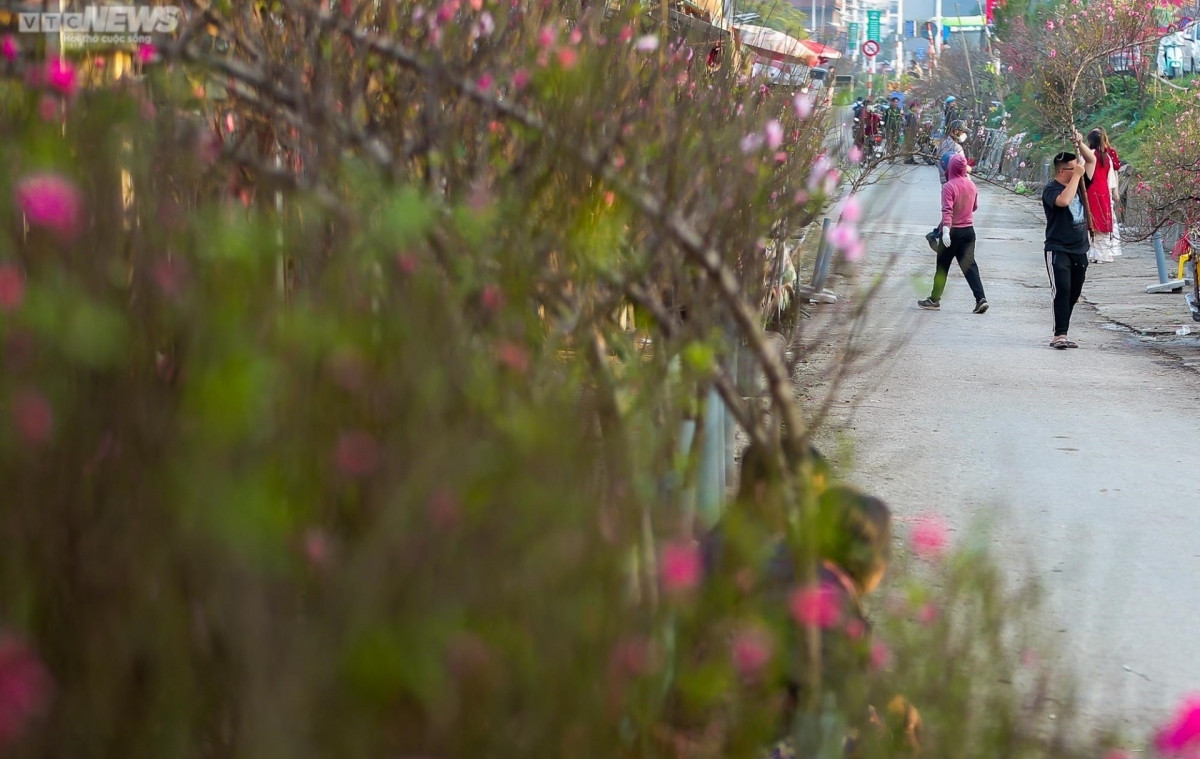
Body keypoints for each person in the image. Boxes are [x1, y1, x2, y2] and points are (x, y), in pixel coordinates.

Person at [1042, 133, 1097, 349]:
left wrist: (1079, 143)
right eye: (1074, 168)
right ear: (1063, 171)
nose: (1079, 171)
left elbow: (1091, 160)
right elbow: (1064, 201)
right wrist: (1077, 176)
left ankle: (1063, 329)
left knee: (1074, 292)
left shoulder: (1081, 184)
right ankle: (1059, 335)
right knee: (1062, 290)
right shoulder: (1051, 189)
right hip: (1058, 248)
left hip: (1079, 248)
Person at [918, 153, 988, 313]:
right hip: (969, 232)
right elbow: (974, 207)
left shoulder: (949, 186)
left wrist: (946, 231)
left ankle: (934, 300)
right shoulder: (971, 185)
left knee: (942, 267)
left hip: (953, 232)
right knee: (970, 266)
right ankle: (981, 299)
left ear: (949, 167)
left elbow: (947, 211)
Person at [1085, 127, 1122, 262]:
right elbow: (1111, 179)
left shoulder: (1089, 155)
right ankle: (1103, 255)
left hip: (1091, 191)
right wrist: (1113, 191)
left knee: (1091, 222)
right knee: (1102, 222)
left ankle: (1093, 253)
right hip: (1104, 191)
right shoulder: (1107, 157)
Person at [936, 119, 968, 184]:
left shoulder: (942, 143)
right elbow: (962, 165)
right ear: (956, 131)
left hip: (945, 179)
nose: (964, 134)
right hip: (956, 181)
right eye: (963, 132)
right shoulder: (957, 147)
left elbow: (938, 161)